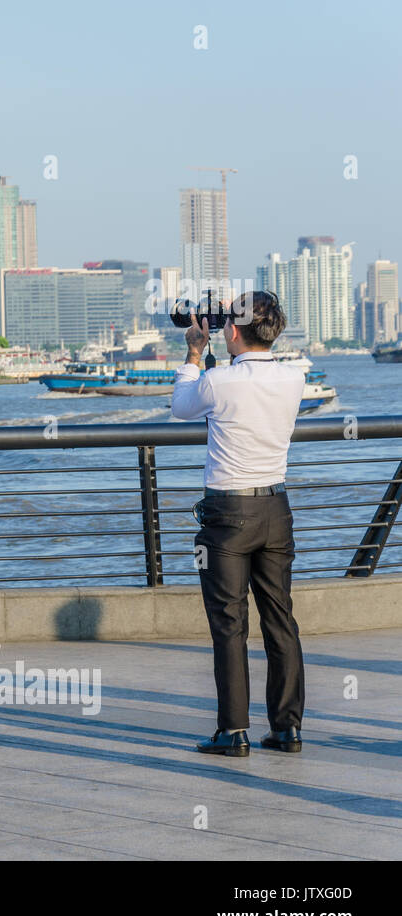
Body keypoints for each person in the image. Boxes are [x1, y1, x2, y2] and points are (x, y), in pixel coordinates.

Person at [171, 292, 306, 756]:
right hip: (276, 508)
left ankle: (233, 732)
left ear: (231, 332)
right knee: (280, 619)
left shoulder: (220, 381)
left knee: (230, 625)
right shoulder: (294, 378)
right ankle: (287, 728)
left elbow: (182, 406)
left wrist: (194, 351)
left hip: (227, 515)